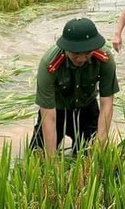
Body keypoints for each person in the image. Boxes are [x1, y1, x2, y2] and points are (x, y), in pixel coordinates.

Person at [30, 18, 119, 157]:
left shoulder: (105, 60)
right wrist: (50, 162)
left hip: (87, 111)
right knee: (36, 159)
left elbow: (107, 103)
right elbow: (48, 116)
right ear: (66, 49)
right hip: (57, 111)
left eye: (87, 53)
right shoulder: (49, 64)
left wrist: (100, 144)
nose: (81, 59)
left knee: (89, 157)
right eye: (75, 54)